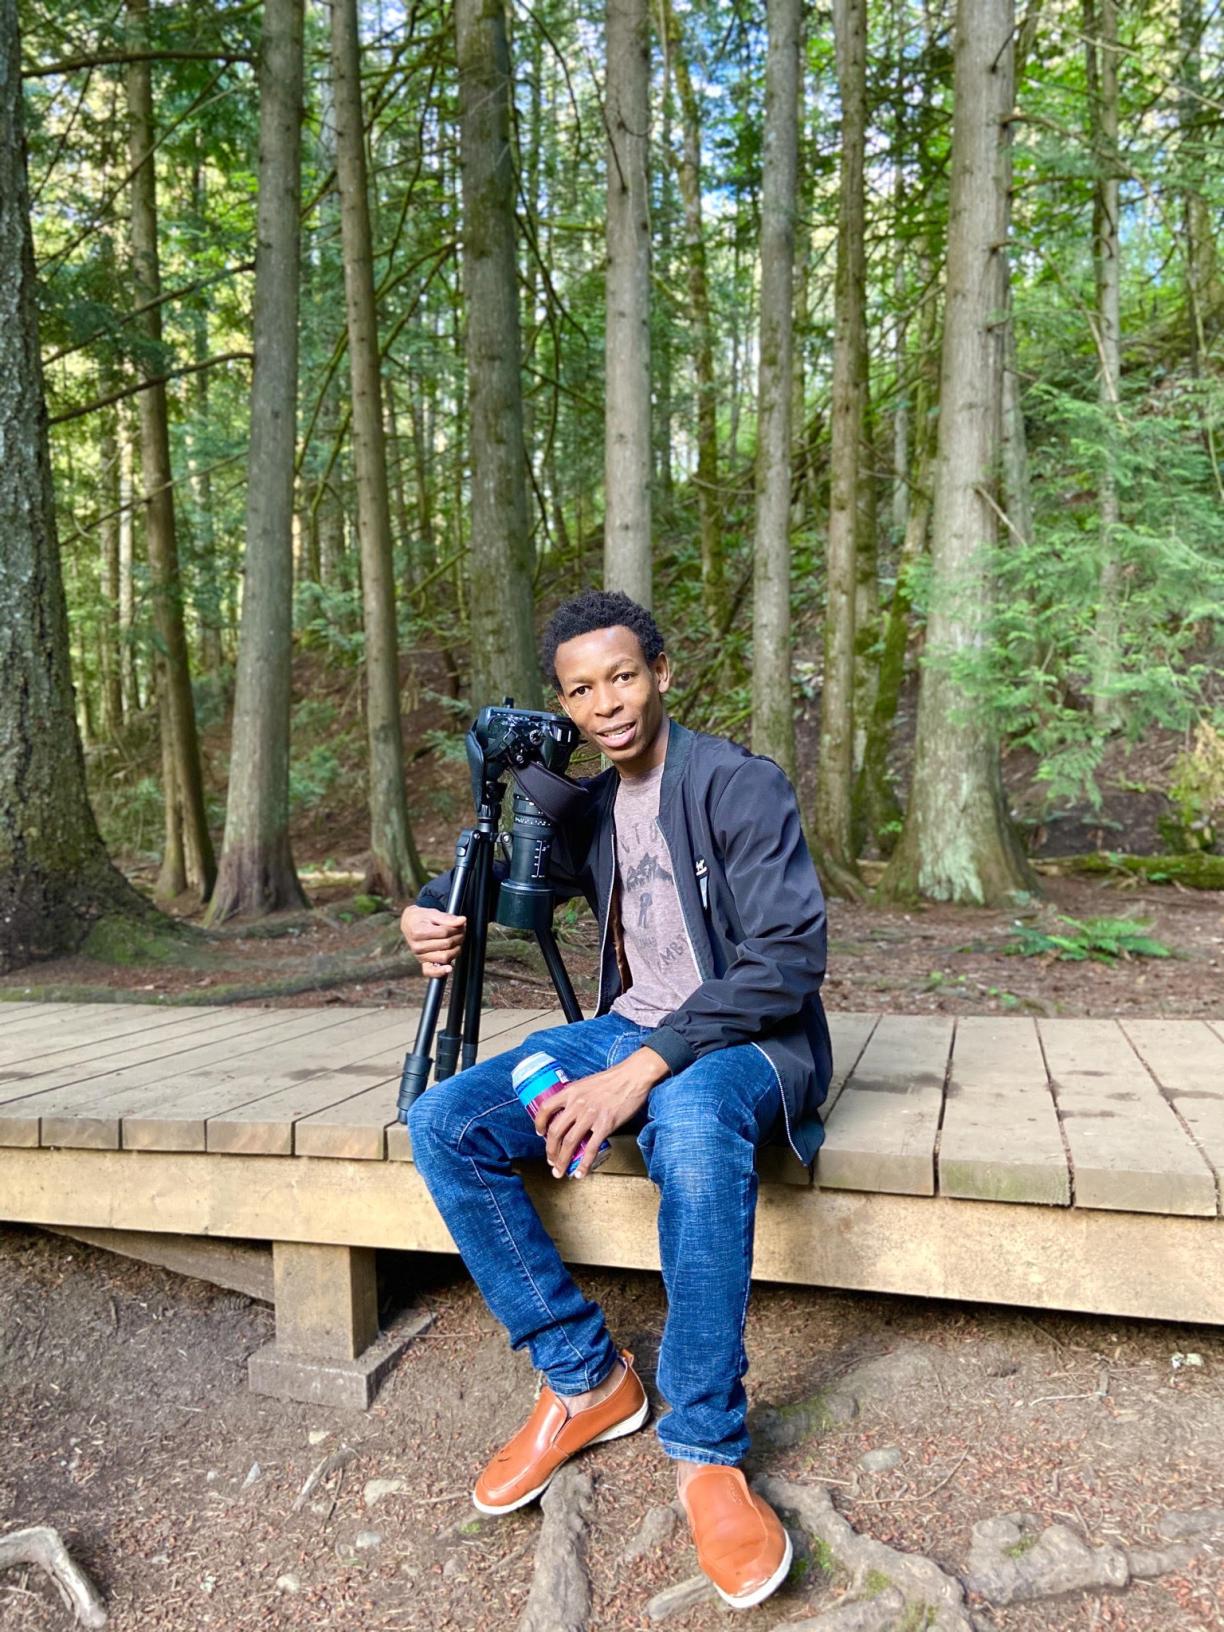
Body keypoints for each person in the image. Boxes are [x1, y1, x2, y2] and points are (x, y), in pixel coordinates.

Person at [401, 589, 832, 1612]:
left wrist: (643, 1068)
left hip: (749, 1040)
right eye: (582, 690)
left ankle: (705, 1450)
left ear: (663, 673)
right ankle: (586, 1377)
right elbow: (504, 877)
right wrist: (426, 911)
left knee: (685, 1115)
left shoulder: (739, 784)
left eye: (624, 676)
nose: (608, 705)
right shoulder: (590, 805)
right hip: (630, 1025)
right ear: (568, 702)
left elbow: (789, 958)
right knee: (446, 1121)